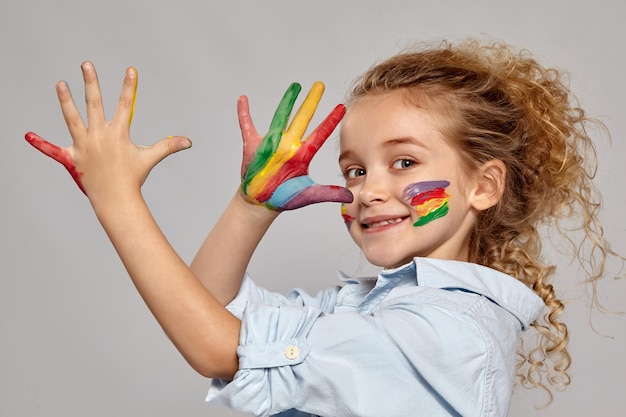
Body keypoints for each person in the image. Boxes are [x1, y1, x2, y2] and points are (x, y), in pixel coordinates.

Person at [25, 38, 621, 417]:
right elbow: (207, 312)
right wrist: (251, 207)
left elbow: (214, 346)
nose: (368, 190)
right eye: (354, 170)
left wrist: (116, 199)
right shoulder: (369, 309)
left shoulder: (449, 334)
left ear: (483, 186)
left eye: (404, 162)